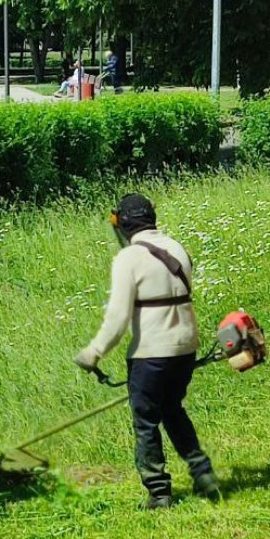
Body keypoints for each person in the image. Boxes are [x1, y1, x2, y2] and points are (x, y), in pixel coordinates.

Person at [74, 194, 222, 509]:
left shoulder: (128, 258)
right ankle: (203, 473)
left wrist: (93, 352)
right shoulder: (177, 248)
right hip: (185, 348)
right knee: (173, 409)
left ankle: (158, 493)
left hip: (151, 352)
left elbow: (117, 319)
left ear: (123, 224)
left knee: (146, 421)